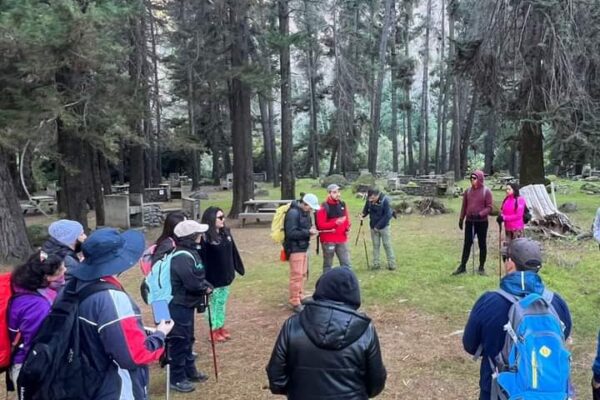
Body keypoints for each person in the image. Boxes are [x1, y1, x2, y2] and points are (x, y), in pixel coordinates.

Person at [70, 227, 173, 399]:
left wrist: (144, 331)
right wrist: (160, 335)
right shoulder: (112, 299)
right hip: (116, 387)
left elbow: (101, 332)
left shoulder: (79, 285)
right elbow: (135, 355)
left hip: (89, 379)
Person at [462, 237, 572, 400]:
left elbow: (470, 345)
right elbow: (563, 336)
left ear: (511, 263)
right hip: (548, 392)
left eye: (505, 258)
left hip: (498, 391)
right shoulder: (556, 303)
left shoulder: (489, 302)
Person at [266, 266, 387, 400]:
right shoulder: (365, 330)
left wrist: (296, 391)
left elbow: (276, 378)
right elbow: (376, 384)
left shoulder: (293, 325)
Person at [8, 250, 66, 389]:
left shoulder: (23, 288)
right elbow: (36, 343)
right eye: (61, 270)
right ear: (48, 277)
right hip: (31, 366)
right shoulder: (37, 306)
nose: (65, 271)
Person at [167, 220, 214, 393]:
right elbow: (192, 283)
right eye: (198, 233)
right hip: (178, 304)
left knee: (188, 338)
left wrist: (206, 284)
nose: (201, 236)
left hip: (186, 304)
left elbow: (196, 277)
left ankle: (189, 370)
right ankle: (177, 378)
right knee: (180, 340)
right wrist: (205, 288)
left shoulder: (190, 252)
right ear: (191, 237)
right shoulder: (181, 257)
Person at [200, 207, 245, 342]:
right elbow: (202, 260)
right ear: (211, 219)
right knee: (213, 305)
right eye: (220, 218)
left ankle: (220, 326)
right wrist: (203, 281)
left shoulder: (226, 234)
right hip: (213, 279)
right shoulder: (205, 238)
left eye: (223, 217)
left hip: (226, 277)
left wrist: (238, 268)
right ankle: (213, 329)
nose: (223, 220)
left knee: (221, 303)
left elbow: (233, 252)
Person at [283, 193, 319, 313]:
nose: (311, 209)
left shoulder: (305, 213)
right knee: (296, 275)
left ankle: (300, 295)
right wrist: (308, 232)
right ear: (305, 204)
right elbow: (291, 233)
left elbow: (304, 228)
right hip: (295, 248)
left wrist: (310, 231)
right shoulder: (293, 213)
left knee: (303, 273)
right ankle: (294, 301)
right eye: (310, 206)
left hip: (303, 247)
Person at [453, 170, 493, 275]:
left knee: (482, 244)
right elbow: (464, 206)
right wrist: (461, 219)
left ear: (479, 179)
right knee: (467, 244)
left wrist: (480, 214)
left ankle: (481, 267)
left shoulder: (486, 191)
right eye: (471, 178)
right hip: (470, 221)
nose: (472, 180)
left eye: (474, 178)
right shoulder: (468, 191)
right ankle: (463, 266)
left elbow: (489, 207)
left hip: (482, 222)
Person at [315, 184, 351, 274]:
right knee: (328, 264)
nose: (338, 194)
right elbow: (320, 225)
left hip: (342, 239)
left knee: (346, 263)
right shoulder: (324, 207)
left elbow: (346, 219)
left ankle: (347, 282)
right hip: (328, 240)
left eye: (338, 192)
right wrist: (335, 223)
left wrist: (347, 227)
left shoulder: (342, 204)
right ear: (329, 193)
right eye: (335, 192)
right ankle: (326, 283)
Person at [360, 188, 396, 270]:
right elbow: (366, 210)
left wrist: (378, 227)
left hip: (384, 227)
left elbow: (387, 216)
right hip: (373, 226)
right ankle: (376, 264)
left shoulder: (385, 200)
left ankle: (392, 264)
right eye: (369, 198)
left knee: (387, 245)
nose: (370, 200)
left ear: (377, 195)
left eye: (372, 198)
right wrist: (362, 215)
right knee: (375, 246)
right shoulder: (369, 200)